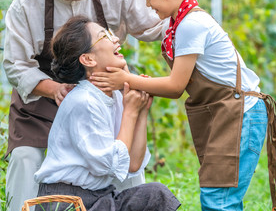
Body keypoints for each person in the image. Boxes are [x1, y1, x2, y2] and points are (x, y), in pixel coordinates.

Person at [90, 0, 276, 211]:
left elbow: (174, 86)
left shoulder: (191, 24)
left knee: (219, 198)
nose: (147, 4)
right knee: (216, 194)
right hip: (229, 112)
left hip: (241, 113)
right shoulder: (177, 23)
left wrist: (128, 79)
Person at [2, 0, 166, 211]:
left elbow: (157, 26)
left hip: (103, 95)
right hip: (43, 103)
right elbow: (16, 66)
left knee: (126, 164)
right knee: (26, 159)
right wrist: (55, 89)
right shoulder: (28, 3)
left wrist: (193, 28)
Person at [32, 16, 181, 211]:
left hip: (98, 197)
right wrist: (129, 112)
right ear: (88, 59)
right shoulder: (84, 101)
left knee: (155, 195)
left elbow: (133, 165)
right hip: (67, 203)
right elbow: (112, 164)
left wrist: (140, 111)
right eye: (105, 36)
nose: (116, 40)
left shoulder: (115, 98)